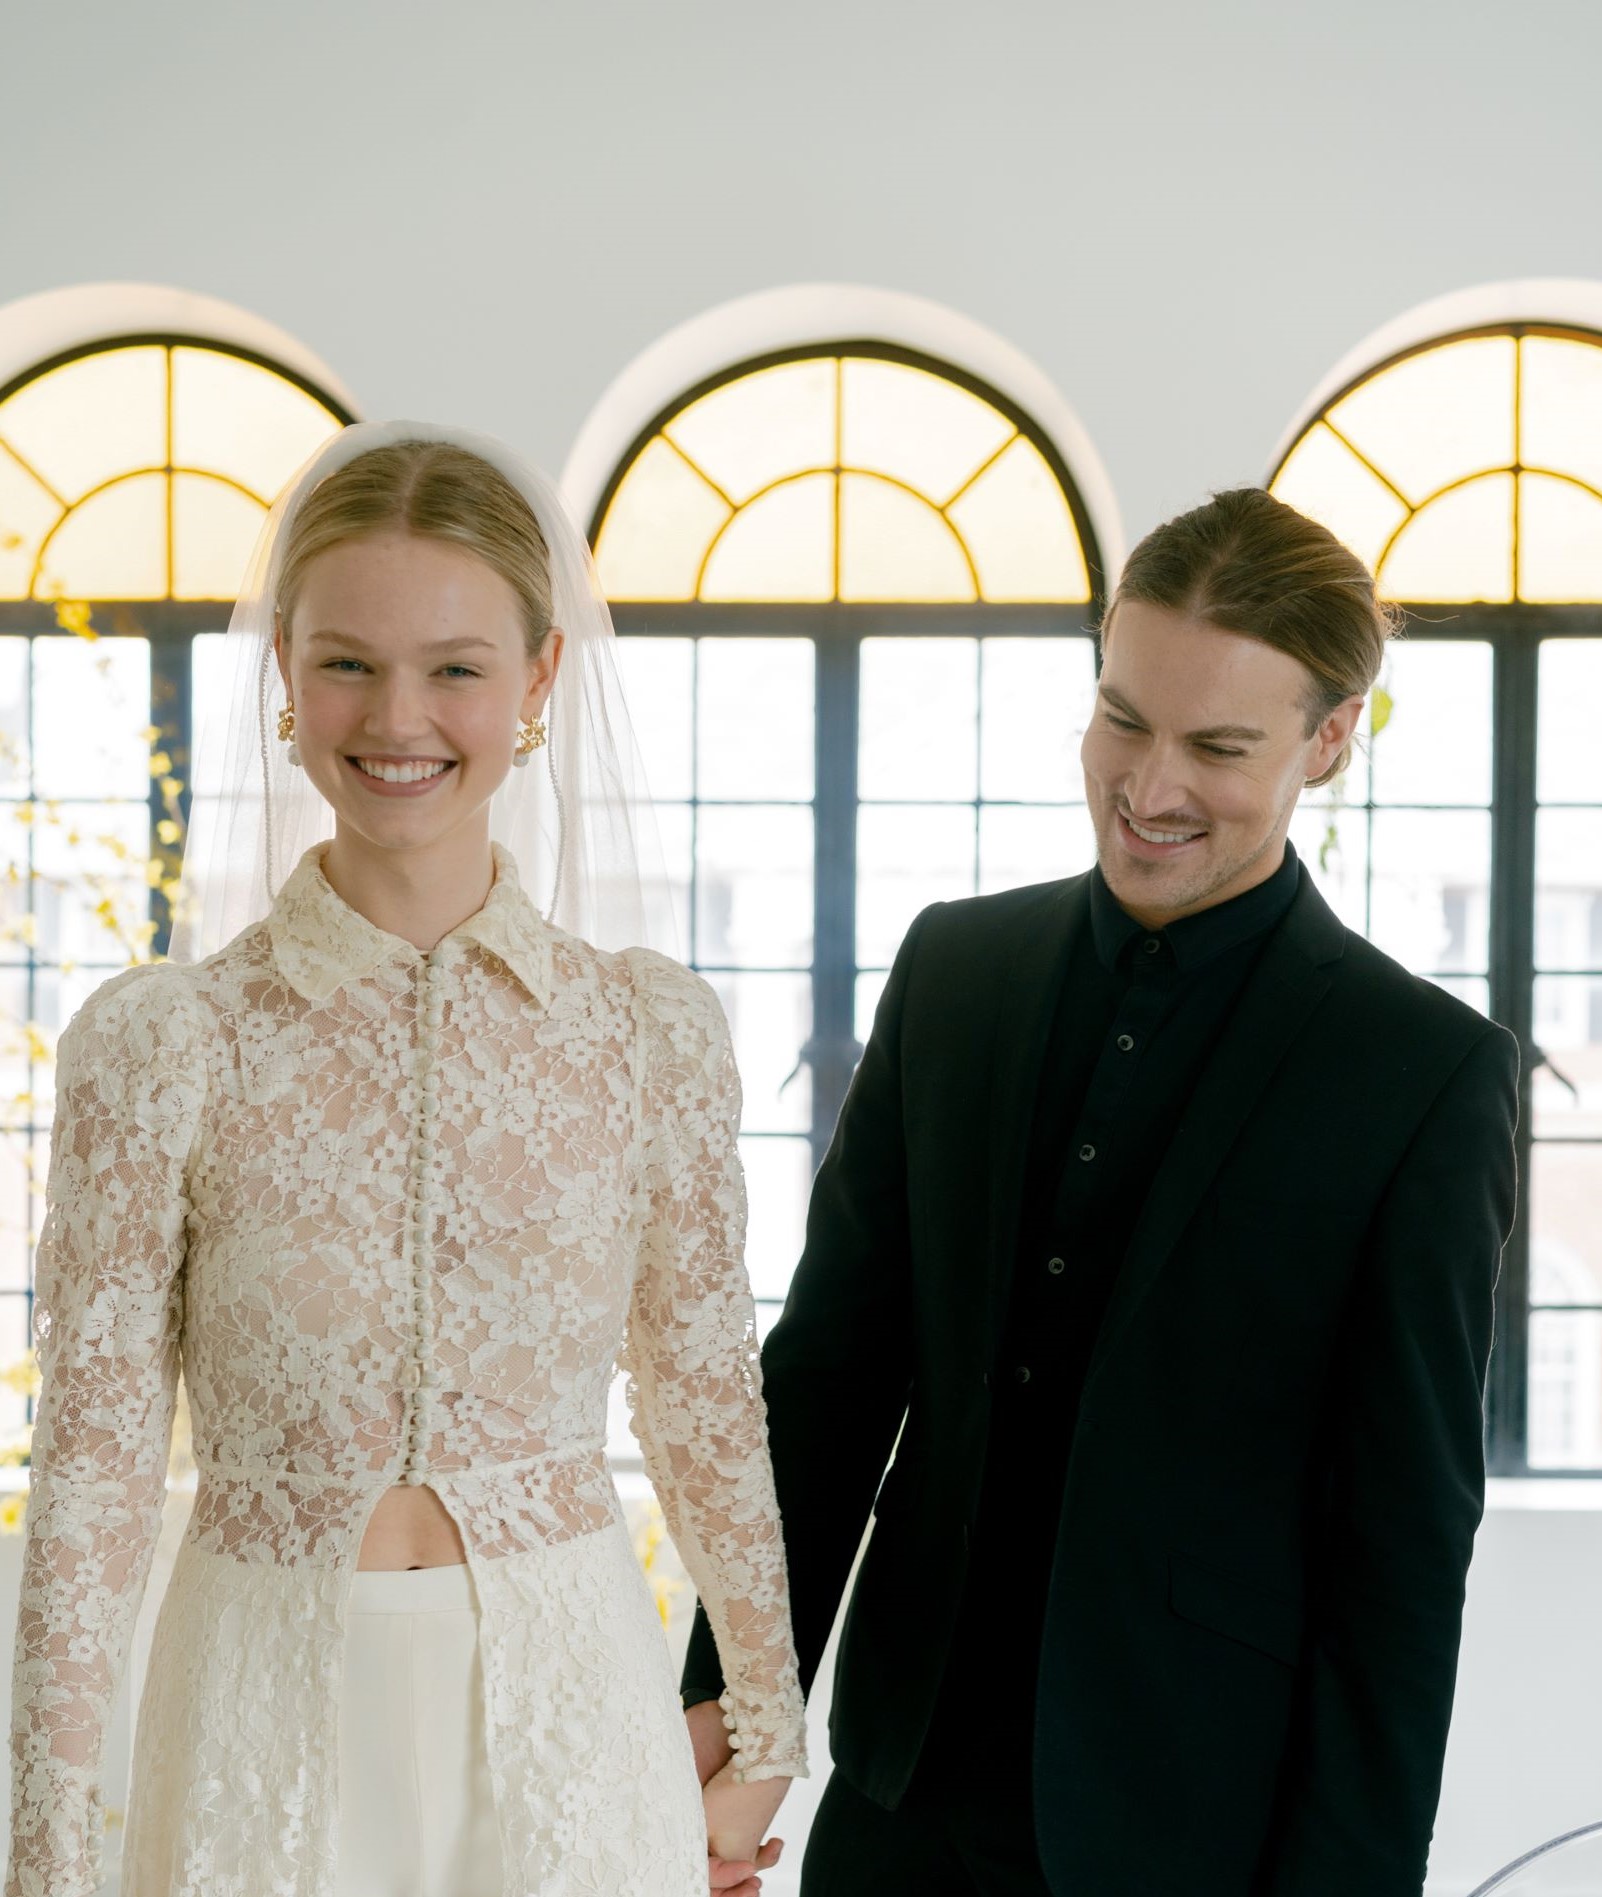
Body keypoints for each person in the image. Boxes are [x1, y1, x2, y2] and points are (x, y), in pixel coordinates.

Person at [682, 487, 1520, 1895]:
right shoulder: (953, 970)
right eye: (1122, 717)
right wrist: (726, 1702)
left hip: (1195, 1827)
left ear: (1326, 740)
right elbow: (825, 1381)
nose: (1149, 784)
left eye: (1216, 745)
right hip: (899, 1801)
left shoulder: (1420, 1073)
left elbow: (1399, 1549)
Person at [6, 424, 804, 1897]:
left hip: (570, 1712)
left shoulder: (646, 1032)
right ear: (286, 680)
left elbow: (701, 1385)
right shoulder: (163, 1043)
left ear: (539, 681)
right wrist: (48, 1841)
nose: (398, 717)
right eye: (347, 661)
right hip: (262, 1700)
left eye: (454, 666)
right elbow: (98, 1468)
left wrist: (765, 1715)